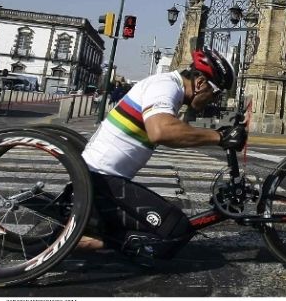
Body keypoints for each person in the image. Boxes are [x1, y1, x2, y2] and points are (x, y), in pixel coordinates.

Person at [78, 47, 247, 259]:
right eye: (215, 95)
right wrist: (219, 137)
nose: (213, 101)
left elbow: (177, 131)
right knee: (174, 229)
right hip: (100, 182)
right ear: (201, 83)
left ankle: (94, 231)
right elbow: (161, 131)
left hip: (105, 181)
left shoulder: (170, 89)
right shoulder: (165, 86)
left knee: (166, 227)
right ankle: (79, 240)